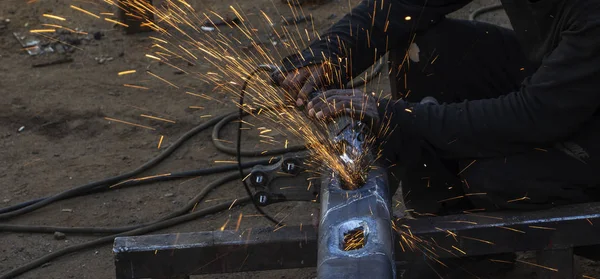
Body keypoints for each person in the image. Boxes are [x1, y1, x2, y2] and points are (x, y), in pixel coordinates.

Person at [278, 0, 600, 212]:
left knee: (489, 171)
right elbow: (406, 5)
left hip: (579, 124)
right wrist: (328, 54)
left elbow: (534, 115)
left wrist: (395, 115)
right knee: (427, 48)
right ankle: (454, 248)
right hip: (569, 84)